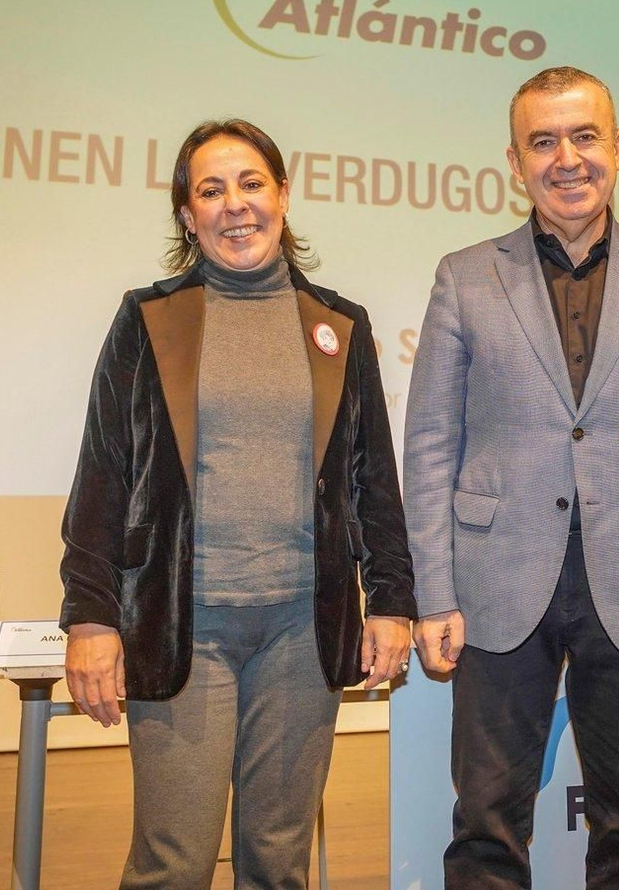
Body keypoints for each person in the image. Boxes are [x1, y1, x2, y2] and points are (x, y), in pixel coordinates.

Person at [404, 66, 619, 888]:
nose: (567, 158)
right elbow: (429, 446)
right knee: (485, 824)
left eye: (584, 136)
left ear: (618, 149)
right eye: (543, 141)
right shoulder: (464, 274)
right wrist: (434, 590)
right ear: (515, 163)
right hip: (495, 581)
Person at [59, 118, 416, 890]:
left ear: (283, 195)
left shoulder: (338, 325)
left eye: (251, 183)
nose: (235, 205)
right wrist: (90, 620)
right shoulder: (149, 319)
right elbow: (102, 477)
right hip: (185, 627)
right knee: (172, 863)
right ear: (187, 215)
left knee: (279, 861)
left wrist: (392, 600)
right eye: (211, 190)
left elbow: (371, 480)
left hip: (303, 630)